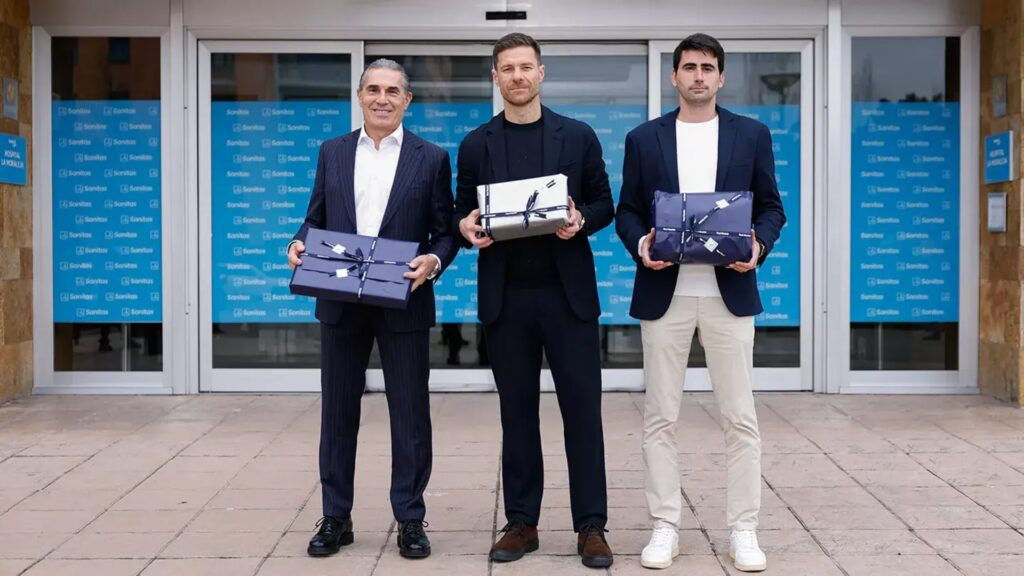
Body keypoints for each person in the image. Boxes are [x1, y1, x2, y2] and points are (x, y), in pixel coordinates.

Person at [614, 33, 786, 572]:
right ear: (674, 76)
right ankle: (665, 525)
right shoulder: (644, 139)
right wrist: (643, 246)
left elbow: (772, 209)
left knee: (740, 419)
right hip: (665, 296)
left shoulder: (751, 134)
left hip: (728, 295)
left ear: (721, 77)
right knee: (660, 419)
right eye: (689, 67)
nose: (698, 76)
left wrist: (756, 246)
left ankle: (744, 530)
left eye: (708, 67)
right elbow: (627, 212)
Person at [453, 32, 616, 569]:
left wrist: (581, 220)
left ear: (541, 73)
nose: (518, 76)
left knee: (582, 415)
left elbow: (603, 202)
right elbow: (463, 213)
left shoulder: (578, 136)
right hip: (506, 301)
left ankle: (591, 526)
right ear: (495, 78)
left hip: (568, 298)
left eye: (526, 67)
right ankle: (522, 522)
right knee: (516, 415)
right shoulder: (477, 144)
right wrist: (466, 227)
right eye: (507, 68)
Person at [287, 58, 457, 560]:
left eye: (393, 91)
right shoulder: (333, 152)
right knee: (338, 414)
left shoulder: (431, 158)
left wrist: (434, 260)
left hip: (404, 299)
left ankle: (410, 518)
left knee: (409, 415)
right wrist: (298, 244)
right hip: (340, 301)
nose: (382, 98)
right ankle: (336, 517)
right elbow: (314, 217)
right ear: (360, 97)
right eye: (373, 90)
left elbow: (444, 232)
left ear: (408, 101)